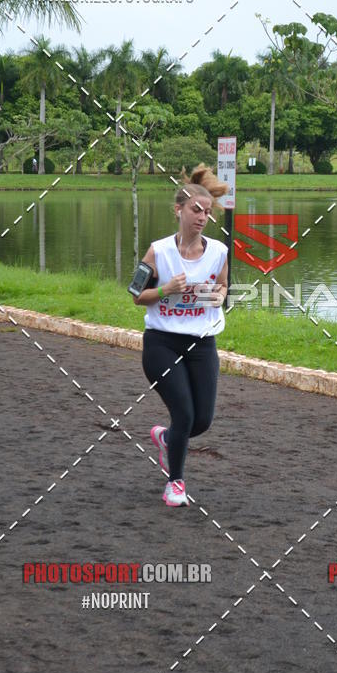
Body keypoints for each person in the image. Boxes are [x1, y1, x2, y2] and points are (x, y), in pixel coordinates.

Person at [132, 164, 229, 507]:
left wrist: (216, 297)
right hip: (162, 343)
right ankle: (175, 483)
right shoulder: (158, 252)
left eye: (208, 212)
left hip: (202, 344)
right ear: (179, 210)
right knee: (185, 414)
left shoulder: (219, 251)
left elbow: (222, 288)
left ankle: (166, 438)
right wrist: (166, 289)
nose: (202, 217)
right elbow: (135, 295)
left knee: (201, 421)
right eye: (196, 210)